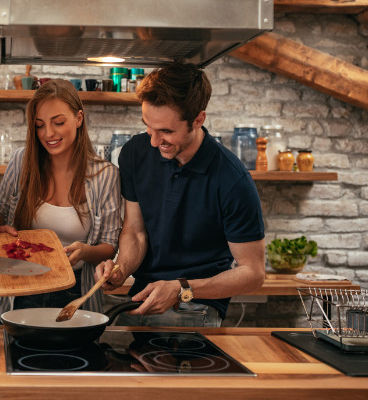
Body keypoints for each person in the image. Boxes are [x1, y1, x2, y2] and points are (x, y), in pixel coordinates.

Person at [96, 62, 265, 327]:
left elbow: (253, 274)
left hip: (195, 307)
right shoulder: (134, 153)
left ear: (198, 119)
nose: (154, 141)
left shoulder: (232, 179)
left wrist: (181, 288)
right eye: (148, 127)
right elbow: (135, 232)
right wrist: (121, 269)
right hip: (140, 298)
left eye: (166, 131)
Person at [0, 79, 121, 318]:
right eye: (39, 125)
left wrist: (85, 252)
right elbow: (0, 213)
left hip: (76, 289)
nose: (48, 134)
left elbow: (109, 246)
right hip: (21, 285)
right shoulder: (21, 161)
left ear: (79, 118)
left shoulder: (105, 175)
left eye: (59, 122)